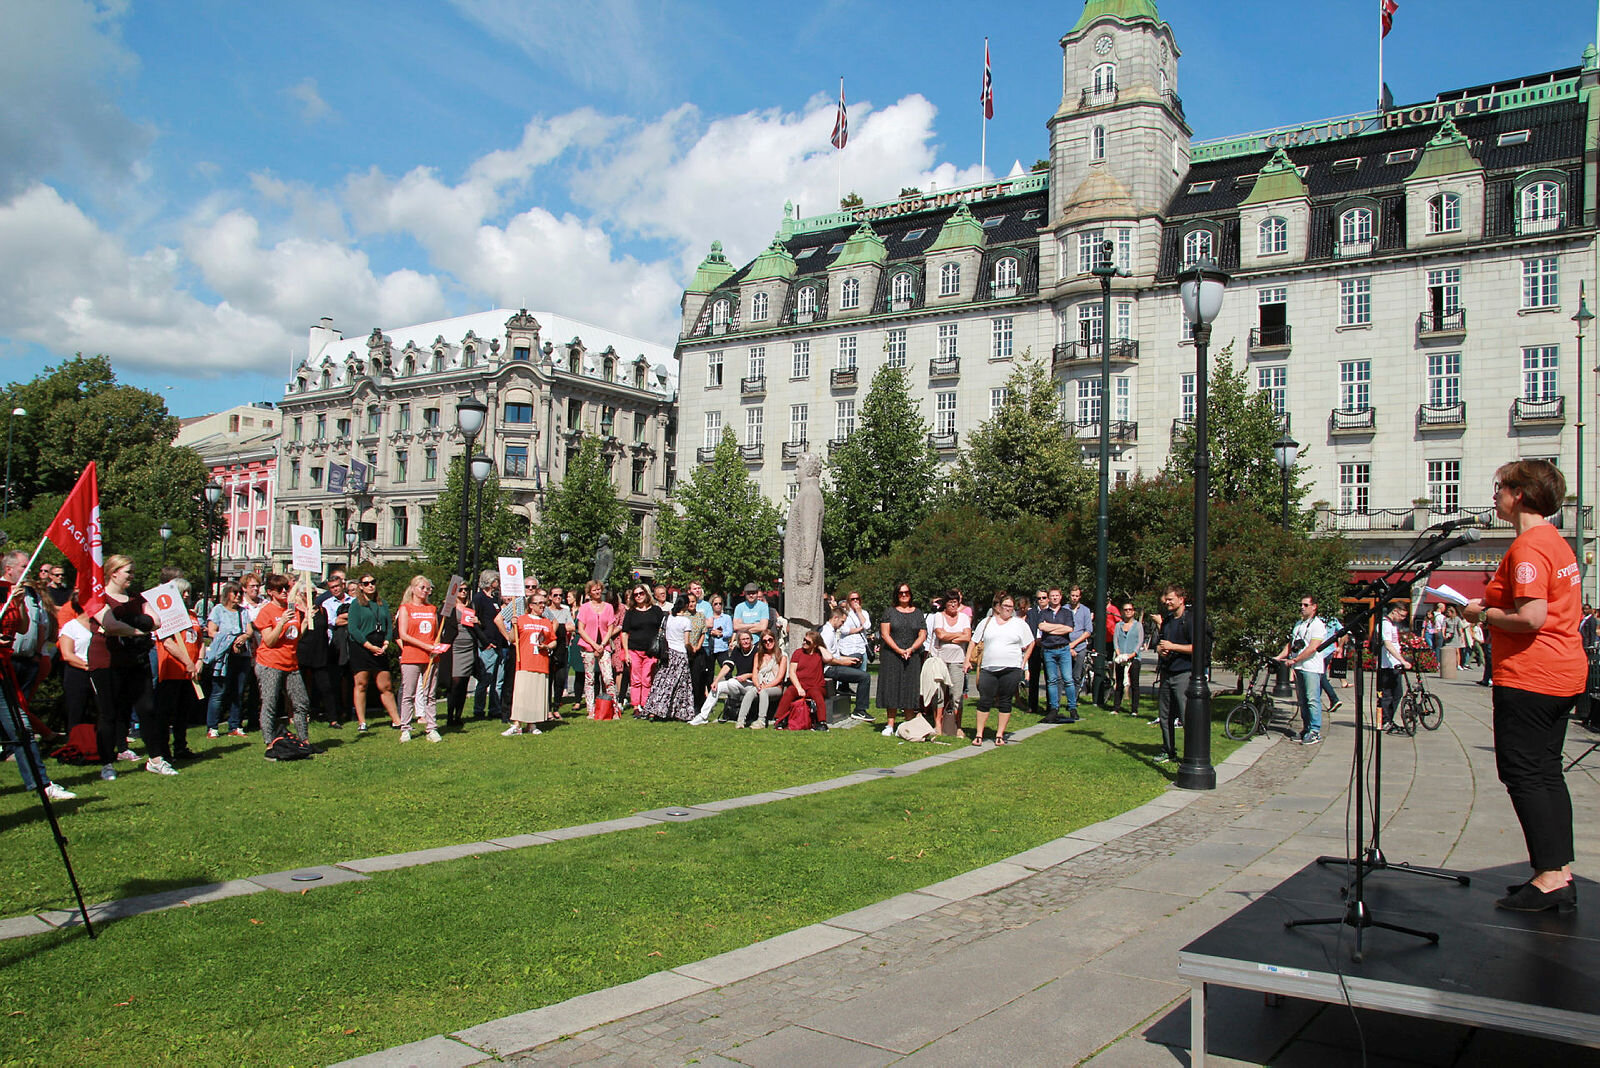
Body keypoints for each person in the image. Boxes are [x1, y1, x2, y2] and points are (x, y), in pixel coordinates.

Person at [1463, 459, 1584, 913]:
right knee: (1547, 771)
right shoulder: (1556, 542)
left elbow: (1531, 618)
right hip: (1562, 672)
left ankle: (1551, 877)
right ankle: (1556, 870)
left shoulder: (1530, 549)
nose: (1495, 496)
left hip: (1533, 676)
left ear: (1521, 495)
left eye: (1501, 488)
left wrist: (1482, 615)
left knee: (1523, 772)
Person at [0, 565, 76, 800]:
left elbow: (22, 627)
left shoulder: (12, 591)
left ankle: (41, 783)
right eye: (23, 566)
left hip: (3, 671)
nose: (28, 570)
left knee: (20, 725)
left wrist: (19, 604)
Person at [85, 554, 156, 780]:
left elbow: (156, 620)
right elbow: (110, 624)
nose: (132, 576)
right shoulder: (98, 597)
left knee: (147, 708)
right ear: (114, 572)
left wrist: (140, 624)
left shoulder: (137, 597)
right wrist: (138, 629)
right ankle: (107, 762)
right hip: (106, 660)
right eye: (128, 572)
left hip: (135, 659)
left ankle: (156, 758)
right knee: (109, 712)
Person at [966, 592, 1036, 746]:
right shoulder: (987, 622)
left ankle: (999, 735)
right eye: (1006, 606)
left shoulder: (1019, 624)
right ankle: (979, 734)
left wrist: (1023, 662)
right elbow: (973, 641)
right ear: (999, 607)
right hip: (988, 667)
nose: (1008, 609)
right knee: (985, 699)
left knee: (1005, 701)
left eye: (1011, 607)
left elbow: (1031, 643)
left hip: (1011, 668)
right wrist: (967, 660)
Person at [253, 573, 313, 751]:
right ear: (270, 592)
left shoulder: (291, 608)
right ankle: (270, 741)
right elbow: (269, 641)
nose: (285, 592)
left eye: (286, 588)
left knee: (301, 702)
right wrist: (281, 623)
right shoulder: (266, 612)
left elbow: (295, 636)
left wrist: (306, 621)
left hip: (290, 662)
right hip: (270, 663)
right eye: (280, 589)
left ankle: (304, 739)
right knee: (270, 702)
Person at [150, 577, 202, 771]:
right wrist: (187, 662)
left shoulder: (192, 614)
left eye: (188, 591)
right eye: (183, 592)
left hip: (190, 673)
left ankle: (181, 746)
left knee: (183, 712)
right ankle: (163, 751)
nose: (187, 595)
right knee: (165, 713)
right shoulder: (167, 616)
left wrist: (199, 661)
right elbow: (168, 643)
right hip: (172, 670)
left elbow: (199, 639)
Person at [347, 572, 400, 732]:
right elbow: (353, 628)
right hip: (362, 645)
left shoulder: (382, 603)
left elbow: (389, 625)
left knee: (386, 685)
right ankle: (361, 721)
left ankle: (396, 719)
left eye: (372, 582)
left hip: (379, 643)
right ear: (361, 587)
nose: (370, 585)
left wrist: (386, 642)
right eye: (366, 583)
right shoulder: (356, 604)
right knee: (361, 683)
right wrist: (368, 645)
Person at [394, 575, 444, 743]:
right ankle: (406, 728)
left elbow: (436, 633)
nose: (425, 591)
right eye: (422, 587)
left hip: (431, 657)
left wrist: (435, 647)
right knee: (409, 693)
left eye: (428, 588)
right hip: (412, 655)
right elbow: (403, 634)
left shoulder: (432, 609)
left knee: (430, 693)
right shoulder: (405, 608)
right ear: (413, 588)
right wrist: (425, 646)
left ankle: (432, 727)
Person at [1274, 593, 1327, 746]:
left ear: (1314, 607)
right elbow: (1291, 645)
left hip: (1311, 667)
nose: (1302, 608)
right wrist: (1279, 657)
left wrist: (1295, 659)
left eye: (1305, 605)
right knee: (1302, 700)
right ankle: (1306, 728)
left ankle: (1315, 730)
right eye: (1301, 605)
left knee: (1312, 699)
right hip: (1299, 667)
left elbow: (1313, 647)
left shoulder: (1318, 625)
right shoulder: (1299, 624)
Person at [505, 587, 558, 736]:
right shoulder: (522, 619)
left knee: (536, 694)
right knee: (521, 693)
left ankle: (532, 724)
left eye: (544, 603)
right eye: (539, 603)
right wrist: (513, 625)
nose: (542, 606)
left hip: (540, 661)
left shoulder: (546, 622)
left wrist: (547, 646)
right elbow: (511, 639)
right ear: (531, 605)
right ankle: (517, 724)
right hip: (525, 661)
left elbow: (553, 640)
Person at [203, 582, 252, 738]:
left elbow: (249, 630)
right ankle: (212, 726)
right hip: (223, 657)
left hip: (241, 656)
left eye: (240, 593)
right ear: (227, 594)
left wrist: (243, 637)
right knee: (219, 692)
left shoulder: (243, 612)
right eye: (234, 593)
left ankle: (235, 725)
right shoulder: (218, 610)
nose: (238, 596)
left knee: (238, 691)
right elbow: (211, 631)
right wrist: (229, 641)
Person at [877, 582, 926, 736]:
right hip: (892, 655)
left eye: (906, 592)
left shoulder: (918, 613)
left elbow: (922, 634)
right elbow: (885, 634)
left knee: (910, 687)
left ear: (910, 594)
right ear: (896, 595)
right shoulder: (889, 612)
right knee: (892, 686)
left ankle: (908, 723)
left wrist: (911, 649)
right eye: (900, 593)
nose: (904, 595)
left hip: (912, 655)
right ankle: (890, 725)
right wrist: (898, 650)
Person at [1154, 585, 1194, 765]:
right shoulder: (1168, 621)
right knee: (1165, 715)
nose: (1167, 602)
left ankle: (1191, 754)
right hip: (1166, 672)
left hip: (1184, 673)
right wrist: (1161, 650)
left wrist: (1173, 647)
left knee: (1186, 715)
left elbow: (1196, 647)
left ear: (1181, 599)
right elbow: (1161, 643)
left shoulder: (1190, 620)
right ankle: (1168, 750)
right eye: (1166, 599)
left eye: (1170, 599)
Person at [640, 594, 695, 722]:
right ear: (686, 605)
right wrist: (692, 650)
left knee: (662, 682)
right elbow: (686, 642)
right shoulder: (686, 621)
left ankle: (654, 709)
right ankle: (679, 712)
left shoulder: (668, 618)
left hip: (668, 654)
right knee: (681, 685)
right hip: (680, 654)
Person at [928, 590, 972, 736]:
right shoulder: (939, 616)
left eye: (955, 602)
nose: (953, 605)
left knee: (957, 694)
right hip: (940, 659)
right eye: (950, 602)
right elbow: (940, 634)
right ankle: (938, 724)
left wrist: (949, 637)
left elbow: (968, 637)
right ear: (945, 604)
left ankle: (958, 726)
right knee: (939, 693)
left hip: (958, 660)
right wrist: (958, 635)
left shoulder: (964, 617)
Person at [821, 603, 872, 723]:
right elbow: (827, 659)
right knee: (865, 677)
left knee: (856, 662)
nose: (842, 625)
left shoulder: (831, 631)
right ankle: (860, 709)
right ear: (835, 618)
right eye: (842, 622)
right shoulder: (827, 633)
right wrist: (843, 662)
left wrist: (847, 659)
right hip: (829, 669)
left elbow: (834, 655)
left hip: (833, 665)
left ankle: (844, 688)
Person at [575, 580, 618, 716]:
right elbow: (581, 629)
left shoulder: (608, 607)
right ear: (589, 592)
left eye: (599, 589)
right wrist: (593, 644)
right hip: (588, 645)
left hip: (604, 645)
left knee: (608, 678)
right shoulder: (584, 608)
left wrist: (603, 644)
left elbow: (610, 627)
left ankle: (614, 708)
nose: (598, 592)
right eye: (594, 590)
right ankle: (590, 709)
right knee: (590, 678)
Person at [694, 630, 756, 725]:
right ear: (739, 641)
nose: (745, 641)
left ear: (751, 640)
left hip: (752, 684)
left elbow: (760, 672)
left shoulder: (757, 651)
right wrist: (716, 680)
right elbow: (728, 665)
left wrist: (748, 675)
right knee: (718, 687)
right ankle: (703, 716)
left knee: (732, 682)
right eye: (743, 639)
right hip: (739, 683)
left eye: (747, 639)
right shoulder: (737, 650)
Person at [1036, 587, 1077, 724]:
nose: (1054, 598)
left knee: (1068, 679)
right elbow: (1041, 627)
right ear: (1048, 598)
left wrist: (1051, 627)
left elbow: (1069, 629)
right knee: (1052, 680)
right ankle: (1054, 708)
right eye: (1051, 596)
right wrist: (1060, 628)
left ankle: (1072, 707)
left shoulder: (1066, 612)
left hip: (1063, 648)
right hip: (1049, 650)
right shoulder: (1044, 613)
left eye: (1056, 595)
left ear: (1060, 597)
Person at [440, 577, 478, 728]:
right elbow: (442, 624)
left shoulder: (470, 606)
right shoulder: (448, 607)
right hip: (455, 647)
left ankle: (458, 715)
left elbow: (477, 626)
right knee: (454, 683)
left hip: (468, 646)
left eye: (465, 590)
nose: (463, 593)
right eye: (460, 590)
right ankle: (450, 715)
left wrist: (477, 621)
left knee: (463, 683)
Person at [773, 629, 828, 729]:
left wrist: (819, 646)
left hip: (815, 685)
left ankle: (822, 722)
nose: (804, 643)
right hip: (800, 684)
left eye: (808, 642)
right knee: (790, 691)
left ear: (814, 645)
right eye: (804, 640)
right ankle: (779, 719)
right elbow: (792, 672)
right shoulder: (798, 653)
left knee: (817, 694)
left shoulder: (819, 654)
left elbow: (829, 658)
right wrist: (799, 688)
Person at [619, 584, 663, 709]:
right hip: (634, 650)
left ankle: (645, 704)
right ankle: (635, 705)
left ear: (646, 594)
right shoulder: (631, 613)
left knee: (647, 679)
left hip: (651, 651)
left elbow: (663, 628)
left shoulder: (656, 610)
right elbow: (624, 633)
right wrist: (626, 652)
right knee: (636, 679)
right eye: (636, 594)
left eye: (641, 593)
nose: (638, 596)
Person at [470, 571, 506, 720]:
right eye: (496, 580)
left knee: (497, 680)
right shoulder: (479, 598)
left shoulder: (496, 599)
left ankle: (494, 708)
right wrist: (485, 642)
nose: (498, 582)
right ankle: (479, 709)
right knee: (485, 679)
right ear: (490, 581)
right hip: (487, 644)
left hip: (498, 643)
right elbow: (474, 621)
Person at [57, 594, 93, 730]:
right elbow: (67, 655)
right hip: (77, 673)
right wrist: (86, 666)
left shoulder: (98, 626)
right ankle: (75, 743)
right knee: (76, 711)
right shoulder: (70, 627)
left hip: (97, 672)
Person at [739, 631, 787, 728]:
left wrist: (766, 686)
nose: (768, 643)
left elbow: (780, 677)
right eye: (765, 641)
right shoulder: (758, 656)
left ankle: (761, 720)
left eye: (770, 640)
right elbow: (755, 674)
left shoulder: (782, 657)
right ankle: (740, 720)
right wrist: (758, 685)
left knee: (764, 692)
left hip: (775, 687)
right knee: (751, 691)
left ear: (774, 640)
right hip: (760, 684)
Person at [1377, 600, 1412, 733]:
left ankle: (1388, 720)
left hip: (1393, 665)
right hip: (1386, 665)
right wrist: (1402, 660)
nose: (1402, 619)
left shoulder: (1391, 625)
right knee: (1387, 695)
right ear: (1395, 611)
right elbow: (1388, 644)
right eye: (1402, 615)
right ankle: (1385, 721)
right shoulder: (1385, 624)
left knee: (1396, 694)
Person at [1111, 601, 1144, 714]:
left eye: (1130, 609)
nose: (1128, 611)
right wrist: (1119, 654)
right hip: (1121, 658)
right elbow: (1115, 641)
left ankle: (1134, 709)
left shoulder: (1138, 625)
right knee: (1119, 683)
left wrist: (1132, 655)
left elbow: (1140, 642)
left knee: (1134, 684)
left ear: (1133, 611)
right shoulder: (1118, 626)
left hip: (1134, 658)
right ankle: (1116, 707)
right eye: (1125, 610)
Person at [545, 584, 573, 706]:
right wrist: (562, 626)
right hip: (548, 647)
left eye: (560, 595)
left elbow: (572, 627)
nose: (558, 597)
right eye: (555, 595)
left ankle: (556, 704)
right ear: (550, 597)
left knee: (561, 678)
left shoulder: (565, 610)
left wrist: (557, 627)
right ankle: (547, 704)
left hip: (562, 647)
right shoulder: (546, 610)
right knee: (548, 677)